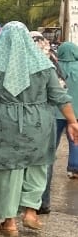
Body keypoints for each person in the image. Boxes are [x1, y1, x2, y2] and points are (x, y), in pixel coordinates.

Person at [0, 21, 78, 237]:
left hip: (5, 122)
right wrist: (72, 121)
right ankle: (30, 212)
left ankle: (9, 222)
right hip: (39, 121)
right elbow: (59, 96)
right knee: (37, 166)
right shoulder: (44, 65)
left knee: (7, 170)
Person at [40, 40, 78, 214]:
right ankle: (74, 167)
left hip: (54, 113)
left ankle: (41, 198)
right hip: (74, 114)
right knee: (75, 142)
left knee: (49, 152)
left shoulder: (53, 66)